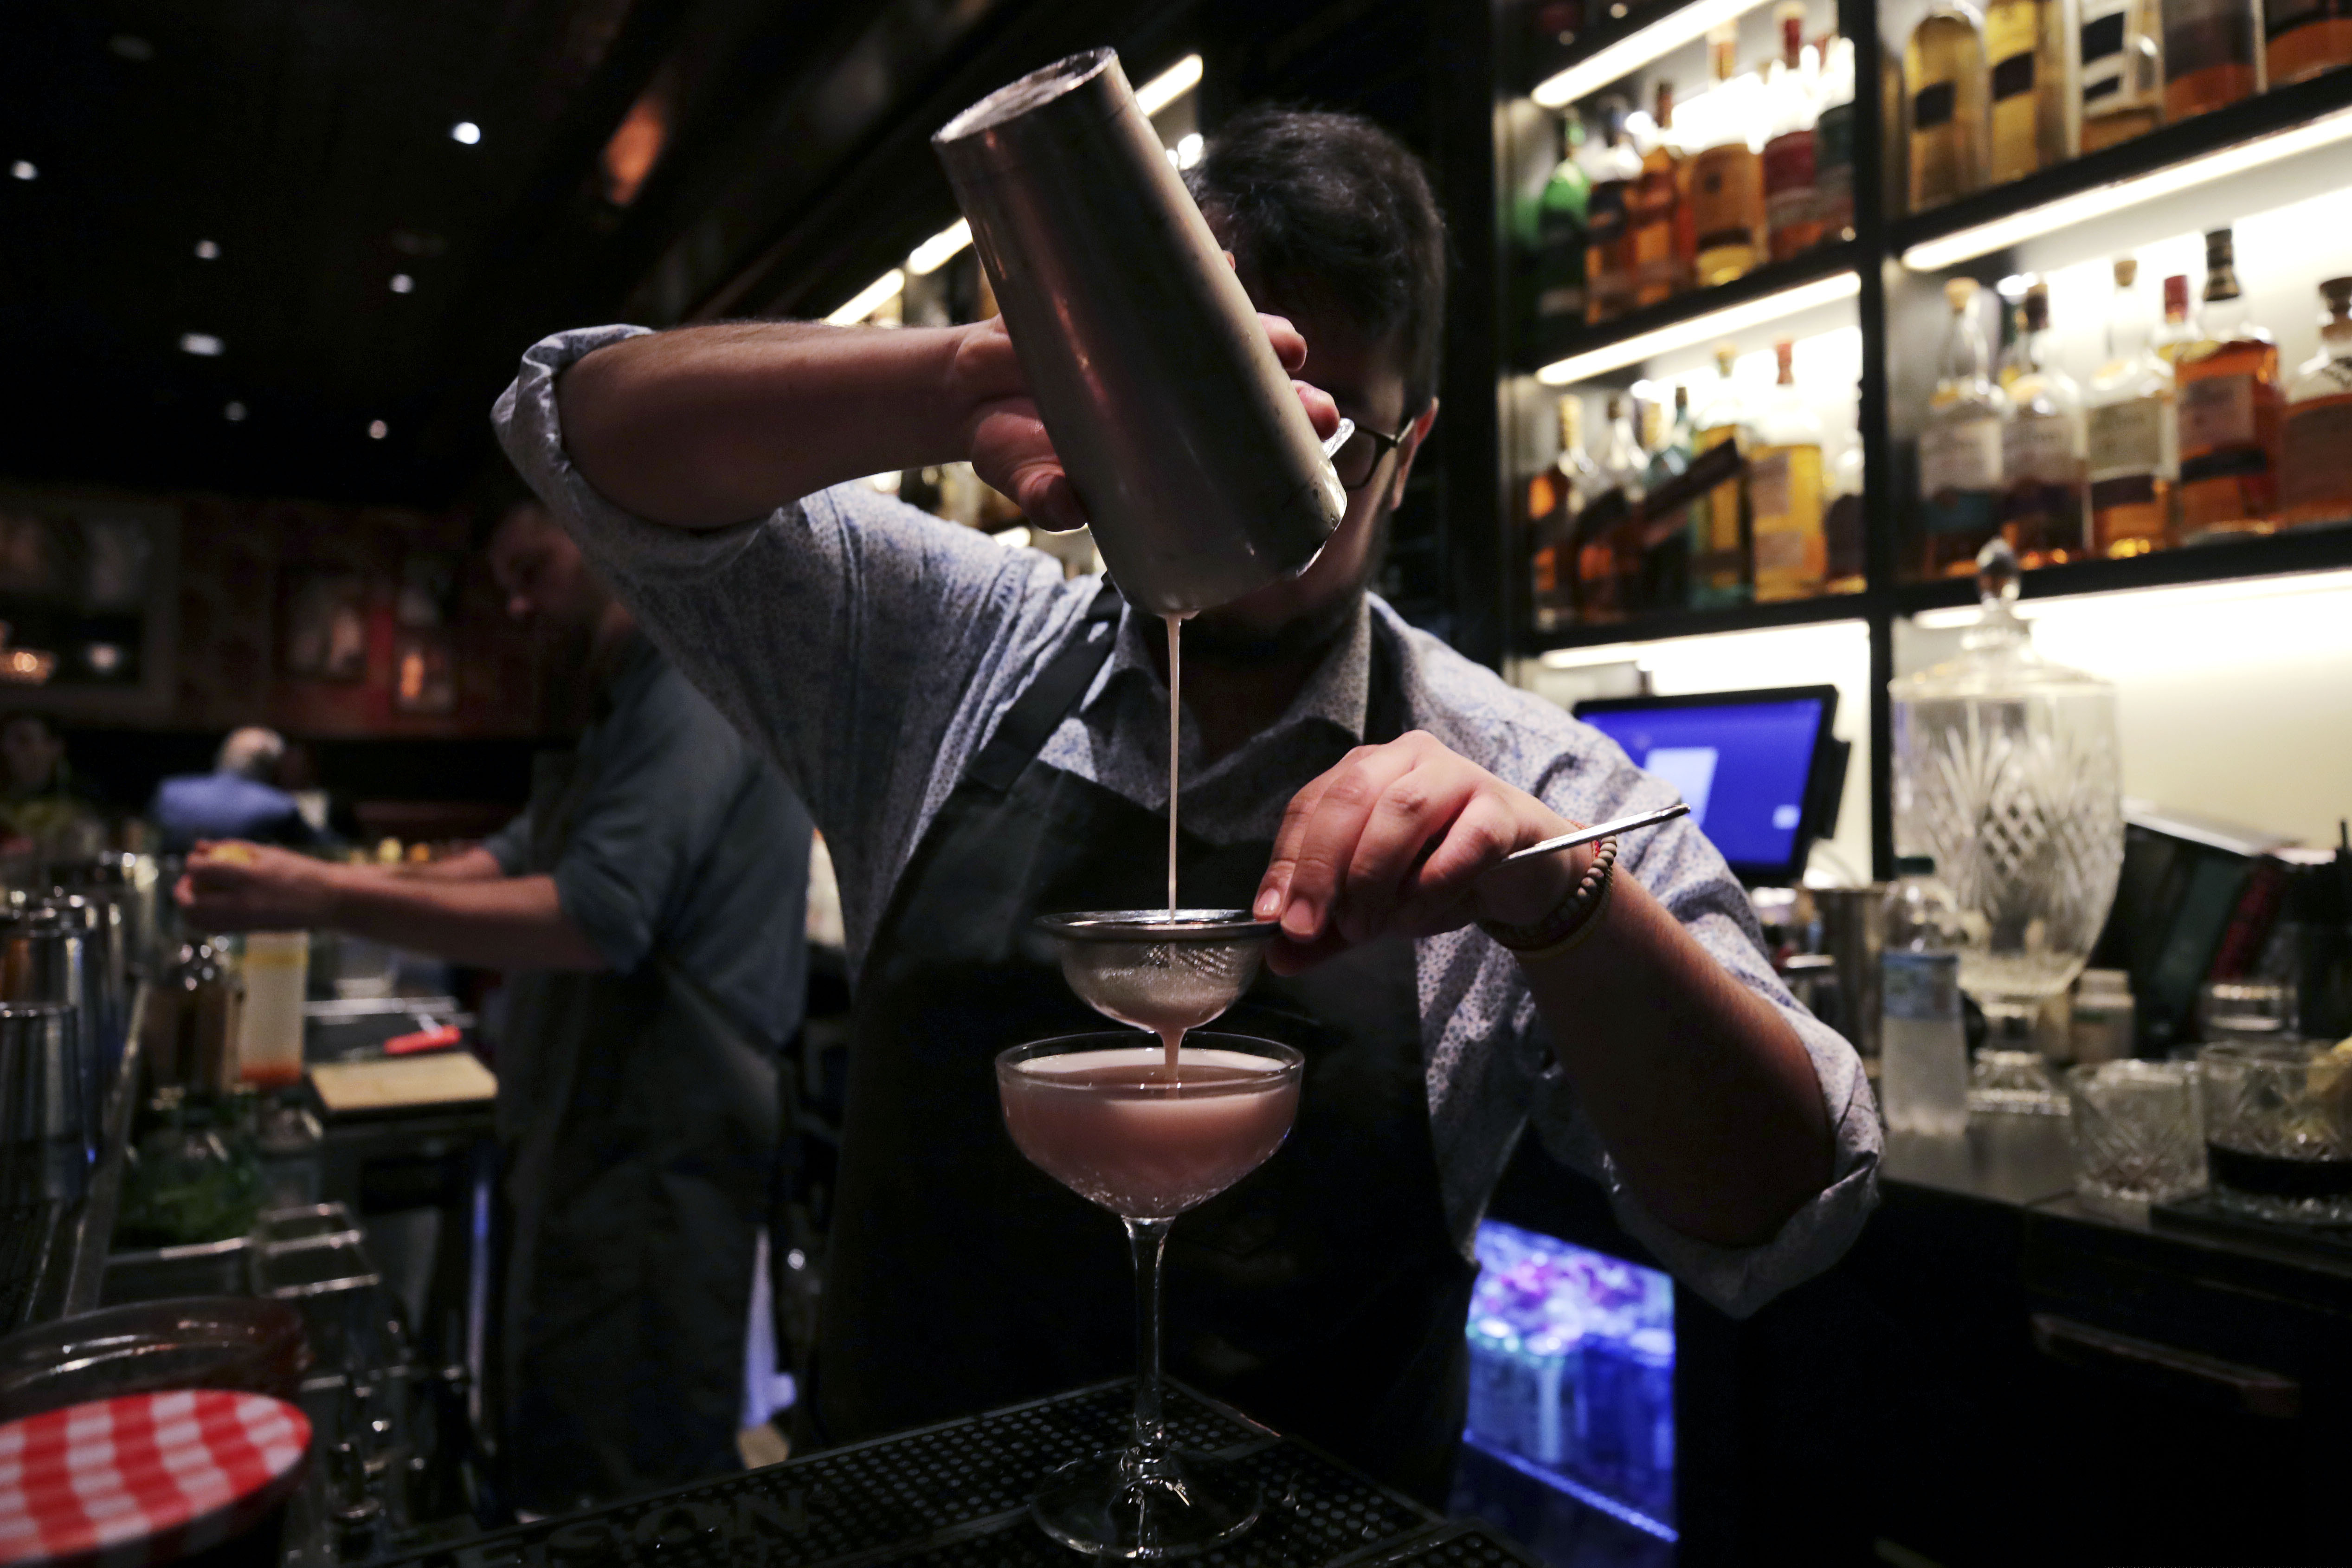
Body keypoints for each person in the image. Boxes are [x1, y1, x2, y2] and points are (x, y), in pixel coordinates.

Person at [491, 109, 1878, 1503]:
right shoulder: (942, 646)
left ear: (1412, 446)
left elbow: (1790, 1202)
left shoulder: (1530, 784)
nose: (1234, 500)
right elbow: (573, 429)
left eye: (1314, 442)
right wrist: (977, 370)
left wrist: (1560, 900)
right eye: (1198, 415)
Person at [176, 500, 814, 1514]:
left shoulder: (692, 676)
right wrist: (309, 875)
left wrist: (322, 896)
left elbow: (595, 916)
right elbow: (520, 852)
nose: (515, 605)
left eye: (531, 566)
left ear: (606, 528)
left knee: (632, 1467)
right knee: (568, 1424)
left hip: (659, 1126)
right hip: (603, 1115)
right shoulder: (622, 692)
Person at [150, 728, 319, 853]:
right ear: (272, 767)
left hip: (174, 891)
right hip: (241, 895)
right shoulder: (279, 807)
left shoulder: (170, 792)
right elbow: (327, 847)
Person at [0, 712, 105, 857]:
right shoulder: (5, 804)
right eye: (5, 741)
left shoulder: (82, 802)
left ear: (54, 747)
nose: (8, 750)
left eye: (24, 741)